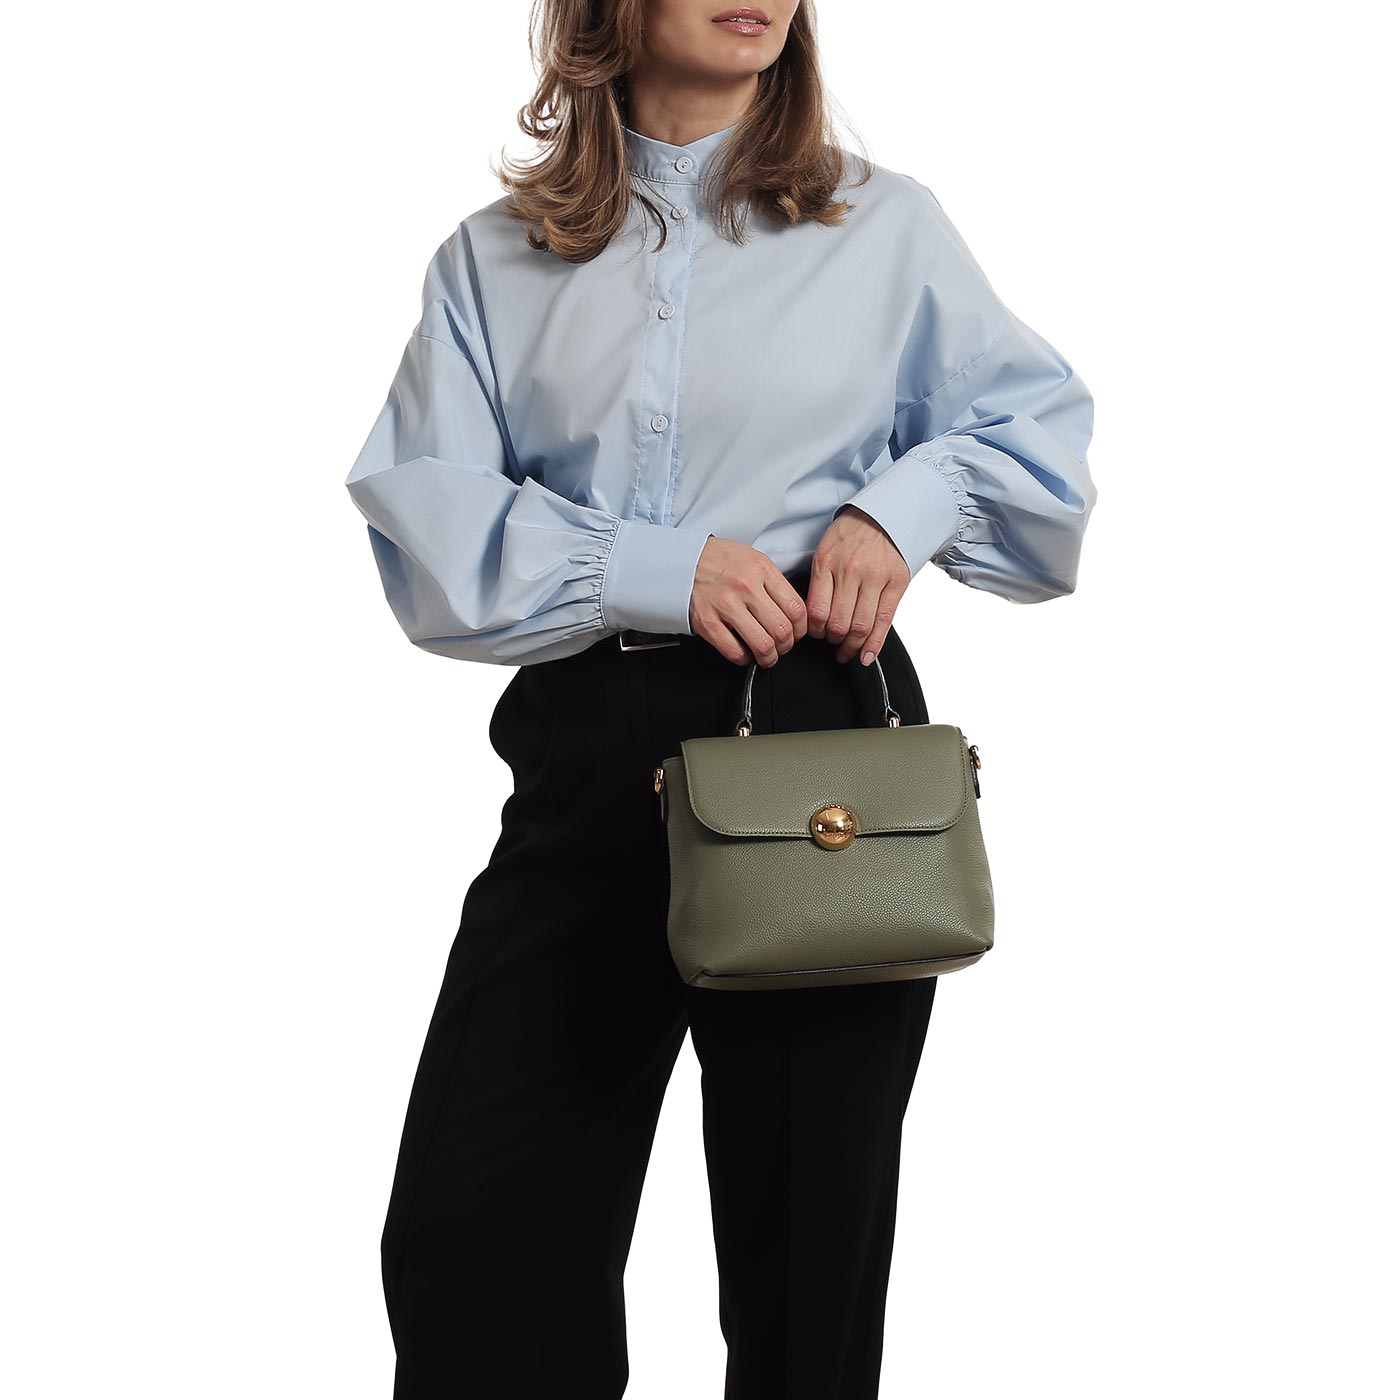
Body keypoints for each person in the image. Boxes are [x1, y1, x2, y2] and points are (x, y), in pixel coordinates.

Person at [344, 3, 1096, 1396]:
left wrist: (901, 508)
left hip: (818, 752)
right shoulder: (494, 259)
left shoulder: (885, 228)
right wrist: (653, 567)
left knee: (806, 1272)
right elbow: (428, 526)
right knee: (474, 1244)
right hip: (585, 762)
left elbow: (1040, 448)